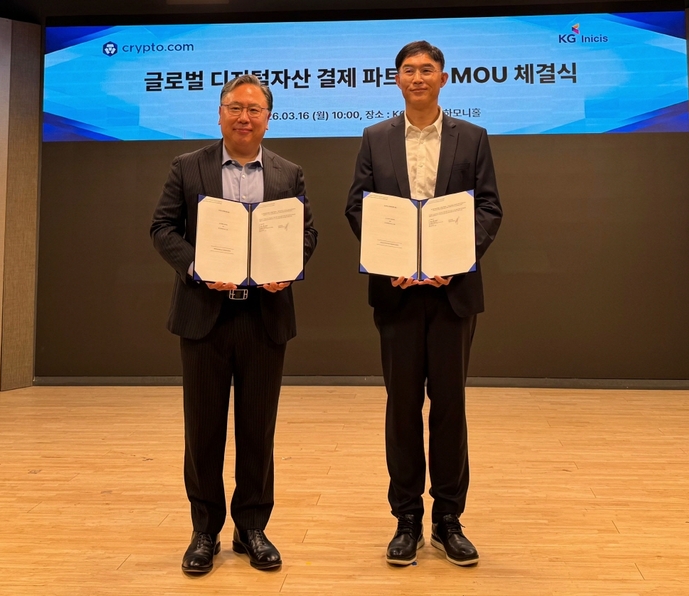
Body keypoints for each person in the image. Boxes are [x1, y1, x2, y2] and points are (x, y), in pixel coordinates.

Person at [151, 73, 318, 577]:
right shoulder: (188, 166)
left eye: (254, 110)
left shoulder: (289, 173)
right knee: (202, 431)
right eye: (235, 108)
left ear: (268, 118)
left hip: (264, 316)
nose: (244, 117)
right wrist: (197, 266)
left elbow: (307, 233)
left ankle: (252, 528)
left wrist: (287, 267)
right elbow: (162, 228)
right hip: (205, 316)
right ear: (220, 114)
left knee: (257, 430)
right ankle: (204, 531)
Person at [345, 40, 503, 568]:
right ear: (397, 79)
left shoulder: (472, 137)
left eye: (427, 69)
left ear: (443, 78)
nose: (418, 77)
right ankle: (407, 519)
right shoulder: (375, 138)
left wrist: (455, 261)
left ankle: (449, 521)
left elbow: (489, 208)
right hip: (396, 294)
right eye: (409, 70)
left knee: (450, 408)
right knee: (403, 407)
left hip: (453, 294)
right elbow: (357, 206)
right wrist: (388, 260)